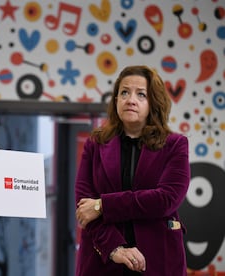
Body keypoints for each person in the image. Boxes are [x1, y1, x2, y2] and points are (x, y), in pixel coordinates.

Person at [75, 65, 190, 276]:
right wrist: (114, 248)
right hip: (102, 260)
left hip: (157, 260)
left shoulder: (175, 144)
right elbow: (84, 208)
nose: (131, 99)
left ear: (153, 102)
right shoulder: (95, 143)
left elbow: (166, 199)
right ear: (116, 99)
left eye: (141, 94)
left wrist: (103, 205)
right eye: (124, 92)